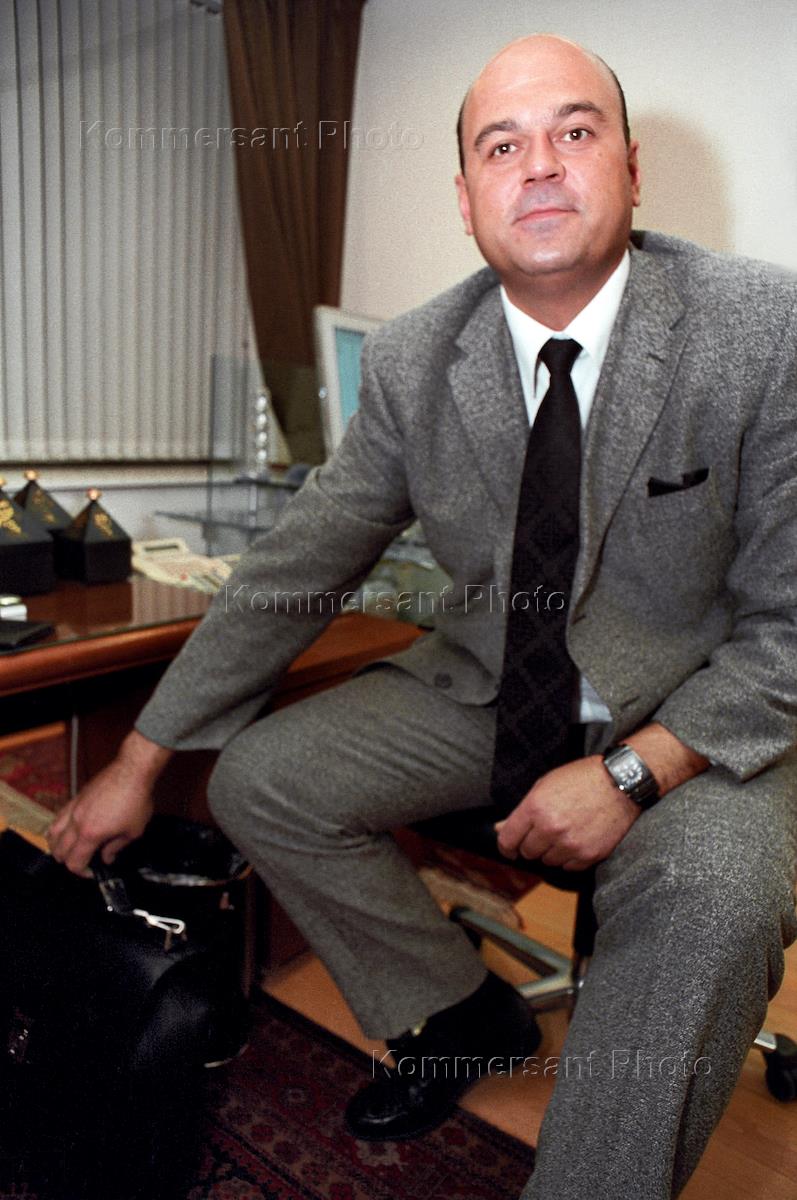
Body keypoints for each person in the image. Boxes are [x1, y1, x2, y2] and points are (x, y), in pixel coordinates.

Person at [49, 34, 797, 1200]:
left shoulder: (758, 328)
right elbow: (296, 568)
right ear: (464, 197)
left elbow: (787, 628)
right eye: (501, 146)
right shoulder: (413, 359)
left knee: (712, 894)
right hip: (494, 688)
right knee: (260, 779)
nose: (538, 165)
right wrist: (139, 762)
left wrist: (631, 775)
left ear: (630, 167)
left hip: (696, 715)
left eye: (573, 131)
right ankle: (460, 1014)